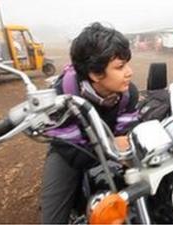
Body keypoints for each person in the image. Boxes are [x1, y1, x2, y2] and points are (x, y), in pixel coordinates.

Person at [41, 22, 139, 223]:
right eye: (120, 67)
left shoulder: (129, 93)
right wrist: (112, 147)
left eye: (127, 63)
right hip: (71, 151)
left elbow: (126, 129)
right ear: (95, 74)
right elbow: (72, 152)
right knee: (52, 219)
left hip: (111, 148)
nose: (130, 72)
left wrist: (125, 141)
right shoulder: (62, 97)